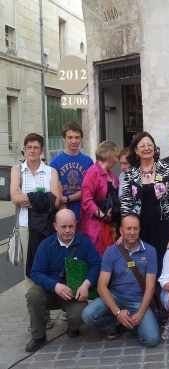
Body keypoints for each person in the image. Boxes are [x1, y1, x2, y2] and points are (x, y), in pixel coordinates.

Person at [25, 209, 100, 352]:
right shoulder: (46, 245)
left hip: (74, 293)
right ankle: (38, 336)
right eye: (63, 227)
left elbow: (96, 264)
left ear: (76, 225)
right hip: (50, 292)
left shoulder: (84, 242)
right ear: (55, 226)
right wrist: (55, 286)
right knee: (33, 295)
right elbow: (35, 273)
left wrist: (86, 284)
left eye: (71, 226)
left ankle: (73, 327)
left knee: (80, 314)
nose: (67, 230)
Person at [81, 215, 160, 347]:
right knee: (87, 315)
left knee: (152, 340)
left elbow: (150, 287)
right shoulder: (111, 252)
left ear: (140, 230)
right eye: (128, 228)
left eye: (135, 228)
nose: (132, 232)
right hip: (116, 296)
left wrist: (140, 313)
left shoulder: (150, 251)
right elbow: (102, 286)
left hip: (138, 301)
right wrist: (117, 312)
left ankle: (130, 324)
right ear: (121, 231)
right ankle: (116, 322)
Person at [120, 131, 169, 273]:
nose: (147, 148)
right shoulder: (130, 174)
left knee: (163, 262)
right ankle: (145, 293)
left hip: (164, 226)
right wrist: (126, 228)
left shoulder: (167, 169)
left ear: (154, 148)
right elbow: (126, 204)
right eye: (142, 145)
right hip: (139, 227)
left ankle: (161, 294)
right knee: (142, 262)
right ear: (136, 150)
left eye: (150, 145)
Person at [10, 133, 62, 277]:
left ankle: (48, 297)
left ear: (41, 150)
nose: (32, 150)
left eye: (36, 147)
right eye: (29, 147)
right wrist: (44, 199)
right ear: (25, 150)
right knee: (29, 269)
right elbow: (15, 197)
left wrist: (28, 198)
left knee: (48, 265)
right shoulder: (17, 170)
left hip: (47, 226)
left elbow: (56, 200)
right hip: (25, 225)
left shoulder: (51, 172)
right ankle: (31, 299)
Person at [80, 141, 120, 255]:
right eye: (116, 156)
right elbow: (87, 200)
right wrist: (102, 215)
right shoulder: (92, 172)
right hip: (94, 227)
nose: (117, 160)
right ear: (109, 155)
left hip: (109, 227)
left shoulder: (113, 176)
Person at [50, 122, 94, 219]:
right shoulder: (55, 163)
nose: (74, 141)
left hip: (85, 213)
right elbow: (55, 191)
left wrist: (67, 198)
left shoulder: (88, 162)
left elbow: (90, 190)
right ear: (64, 139)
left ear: (81, 139)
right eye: (70, 137)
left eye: (77, 137)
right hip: (63, 213)